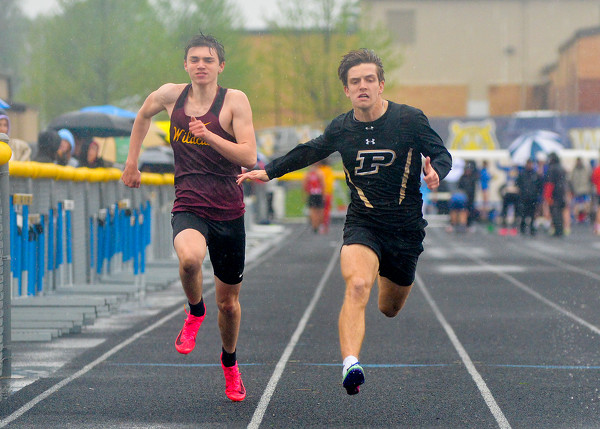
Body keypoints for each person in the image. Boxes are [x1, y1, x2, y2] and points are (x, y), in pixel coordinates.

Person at [236, 49, 452, 395]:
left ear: (381, 85)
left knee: (389, 307)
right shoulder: (342, 128)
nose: (363, 86)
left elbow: (441, 154)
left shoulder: (409, 120)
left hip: (405, 229)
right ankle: (350, 363)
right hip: (363, 223)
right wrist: (270, 171)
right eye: (355, 82)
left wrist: (435, 172)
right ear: (347, 90)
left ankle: (386, 272)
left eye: (369, 80)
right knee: (356, 286)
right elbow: (310, 150)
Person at [121, 33, 257, 402]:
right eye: (194, 59)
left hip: (229, 211)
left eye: (208, 60)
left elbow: (248, 156)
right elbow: (141, 116)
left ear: (220, 66)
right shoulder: (170, 95)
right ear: (185, 65)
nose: (201, 65)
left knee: (228, 304)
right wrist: (131, 161)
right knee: (189, 259)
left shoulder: (234, 101)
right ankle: (194, 311)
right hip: (189, 203)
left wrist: (209, 135)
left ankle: (230, 363)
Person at [516, 158, 543, 236]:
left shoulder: (535, 174)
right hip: (524, 197)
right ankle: (523, 228)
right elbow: (518, 184)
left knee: (532, 214)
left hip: (533, 198)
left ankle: (532, 228)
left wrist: (537, 195)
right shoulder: (522, 174)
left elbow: (539, 185)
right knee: (523, 213)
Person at [544, 152, 567, 237]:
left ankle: (557, 230)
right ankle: (560, 229)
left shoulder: (552, 169)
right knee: (560, 212)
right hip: (561, 194)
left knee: (555, 212)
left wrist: (548, 196)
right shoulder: (561, 168)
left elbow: (550, 183)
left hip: (554, 194)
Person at [303, 162, 326, 233]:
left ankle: (314, 226)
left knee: (313, 210)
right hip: (318, 194)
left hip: (312, 194)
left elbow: (304, 185)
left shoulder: (308, 174)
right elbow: (323, 184)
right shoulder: (319, 173)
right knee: (319, 210)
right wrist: (323, 194)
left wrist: (305, 195)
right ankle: (319, 225)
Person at [570, 157, 591, 224]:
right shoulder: (574, 170)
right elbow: (571, 179)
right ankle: (577, 218)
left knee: (586, 205)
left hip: (585, 190)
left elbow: (589, 178)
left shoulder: (586, 169)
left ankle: (585, 217)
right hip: (577, 190)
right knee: (576, 205)